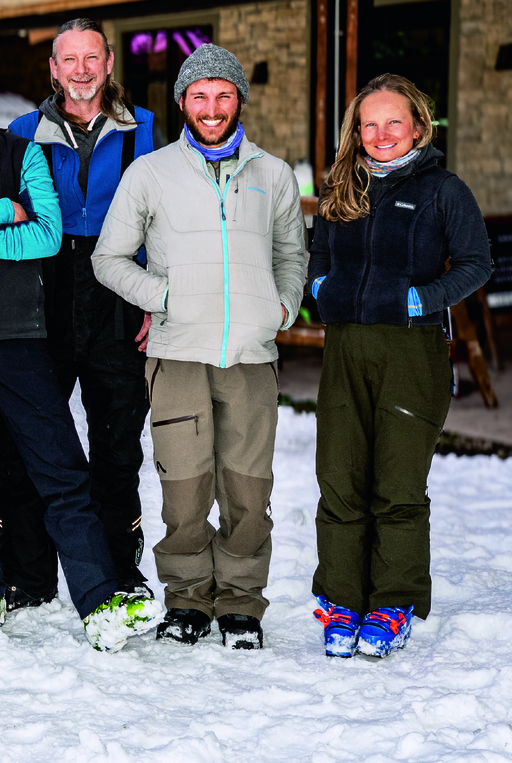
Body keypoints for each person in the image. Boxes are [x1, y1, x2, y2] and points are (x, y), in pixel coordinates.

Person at [0, 41, 164, 651]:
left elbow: (43, 238)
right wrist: (0, 211)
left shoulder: (25, 153)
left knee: (62, 471)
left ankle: (99, 601)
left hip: (21, 338)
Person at [92, 43, 307, 650]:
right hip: (178, 354)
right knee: (183, 488)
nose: (211, 108)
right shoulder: (151, 173)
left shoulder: (274, 175)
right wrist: (162, 297)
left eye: (223, 94)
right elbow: (108, 259)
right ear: (182, 102)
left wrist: (282, 306)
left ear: (239, 99)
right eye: (199, 95)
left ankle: (240, 603)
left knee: (247, 488)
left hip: (250, 358)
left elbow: (292, 256)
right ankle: (186, 599)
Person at [308, 74, 491, 659]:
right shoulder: (341, 187)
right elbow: (317, 257)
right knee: (339, 477)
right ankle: (341, 599)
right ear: (355, 131)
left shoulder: (442, 189)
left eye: (394, 122)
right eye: (369, 124)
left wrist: (419, 300)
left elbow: (475, 263)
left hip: (412, 352)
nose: (381, 134)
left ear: (418, 126)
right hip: (345, 350)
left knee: (398, 483)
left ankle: (394, 601)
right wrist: (319, 288)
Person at [0, 17, 156, 611]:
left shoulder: (145, 131)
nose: (82, 70)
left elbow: (160, 225)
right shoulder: (20, 132)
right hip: (42, 297)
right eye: (70, 59)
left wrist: (151, 295)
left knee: (117, 442)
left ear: (109, 63)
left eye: (92, 58)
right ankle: (25, 573)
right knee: (22, 437)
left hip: (116, 297)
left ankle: (120, 570)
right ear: (54, 68)